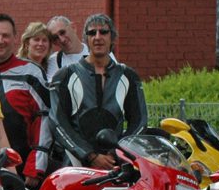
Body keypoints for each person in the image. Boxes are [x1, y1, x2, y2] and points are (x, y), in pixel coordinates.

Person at [49, 14, 146, 170]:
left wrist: (117, 152)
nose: (97, 37)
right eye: (92, 33)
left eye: (103, 32)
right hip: (75, 163)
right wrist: (89, 155)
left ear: (112, 37)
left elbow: (139, 122)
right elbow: (58, 122)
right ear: (86, 38)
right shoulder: (65, 76)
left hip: (115, 164)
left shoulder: (128, 76)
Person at [0, 13, 50, 182]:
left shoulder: (31, 72)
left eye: (6, 36)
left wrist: (35, 167)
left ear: (15, 39)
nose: (0, 41)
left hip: (23, 165)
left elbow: (44, 119)